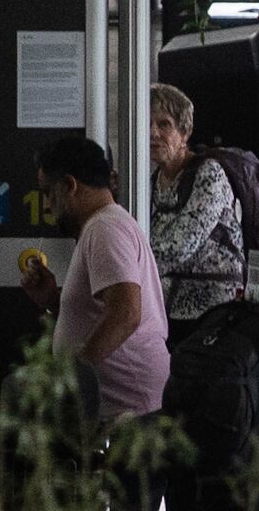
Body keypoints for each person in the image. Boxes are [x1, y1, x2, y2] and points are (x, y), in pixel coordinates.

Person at [21, 133, 169, 426]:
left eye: (49, 193)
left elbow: (127, 313)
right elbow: (104, 312)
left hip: (125, 416)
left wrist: (72, 378)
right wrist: (53, 300)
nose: (47, 206)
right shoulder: (103, 226)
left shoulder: (105, 229)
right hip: (119, 411)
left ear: (69, 186)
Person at [145, 85, 251, 324]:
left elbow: (179, 247)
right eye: (147, 123)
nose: (153, 133)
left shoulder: (208, 175)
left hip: (213, 312)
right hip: (166, 309)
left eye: (164, 125)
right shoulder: (152, 181)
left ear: (185, 133)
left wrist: (129, 266)